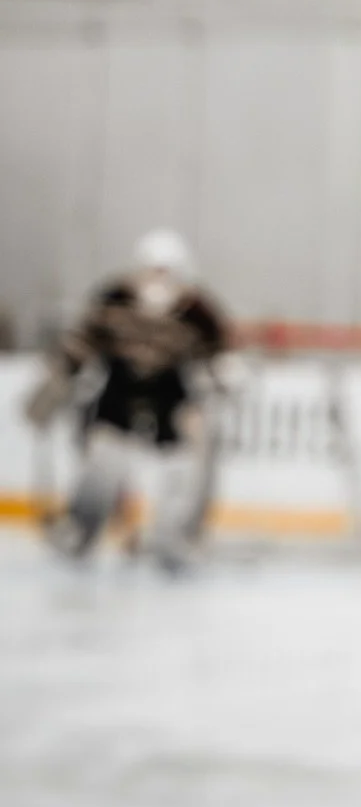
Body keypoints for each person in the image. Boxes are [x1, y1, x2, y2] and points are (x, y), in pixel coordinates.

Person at [27, 228, 230, 572]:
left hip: (171, 401)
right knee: (101, 468)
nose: (158, 280)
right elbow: (81, 344)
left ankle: (176, 535)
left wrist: (223, 378)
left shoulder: (198, 311)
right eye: (153, 270)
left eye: (167, 272)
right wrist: (56, 381)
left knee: (182, 471)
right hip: (118, 397)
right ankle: (81, 529)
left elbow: (217, 357)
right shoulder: (113, 298)